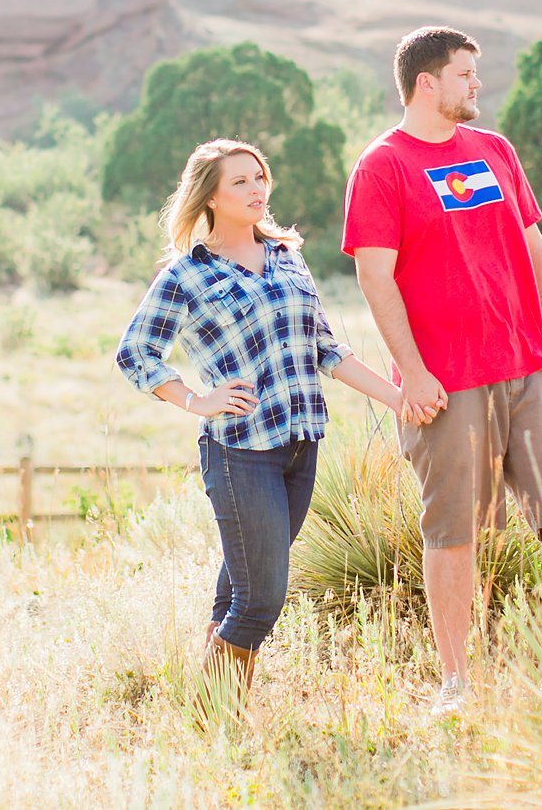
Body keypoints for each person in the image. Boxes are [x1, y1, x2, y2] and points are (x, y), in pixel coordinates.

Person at [343, 26, 542, 716]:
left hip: (527, 370)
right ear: (427, 83)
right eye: (464, 75)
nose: (475, 85)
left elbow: (531, 240)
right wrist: (411, 371)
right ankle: (457, 682)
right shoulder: (382, 166)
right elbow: (375, 276)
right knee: (453, 529)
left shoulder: (495, 151)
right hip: (445, 384)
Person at [114, 138, 402, 703]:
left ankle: (214, 710)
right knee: (262, 597)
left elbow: (325, 347)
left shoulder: (287, 257)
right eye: (239, 182)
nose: (256, 190)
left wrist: (397, 397)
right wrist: (196, 400)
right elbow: (136, 352)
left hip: (301, 445)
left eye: (259, 177)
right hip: (241, 451)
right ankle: (216, 711)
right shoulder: (186, 276)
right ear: (211, 198)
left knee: (242, 586)